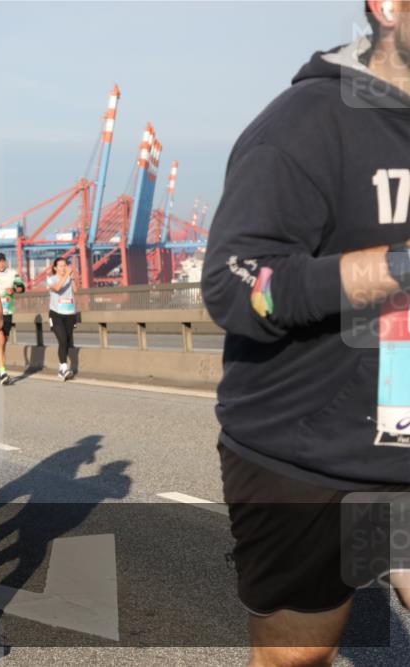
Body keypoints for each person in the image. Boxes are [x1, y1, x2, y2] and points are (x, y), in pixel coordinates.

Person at [201, 3, 410, 664]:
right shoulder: (306, 122)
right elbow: (237, 285)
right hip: (306, 455)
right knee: (297, 658)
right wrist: (398, 267)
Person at [0, 252, 25, 385]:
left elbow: (21, 288)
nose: (1, 264)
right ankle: (3, 372)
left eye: (2, 261)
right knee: (0, 340)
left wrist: (14, 290)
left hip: (8, 312)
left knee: (3, 341)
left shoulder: (12, 273)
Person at [46, 257, 77, 381]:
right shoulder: (51, 279)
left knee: (67, 341)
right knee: (62, 339)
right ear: (55, 268)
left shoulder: (69, 278)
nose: (64, 268)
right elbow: (57, 288)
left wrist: (72, 279)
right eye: (61, 266)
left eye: (65, 265)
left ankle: (61, 369)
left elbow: (76, 290)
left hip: (69, 314)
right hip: (56, 314)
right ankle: (64, 368)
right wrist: (66, 276)